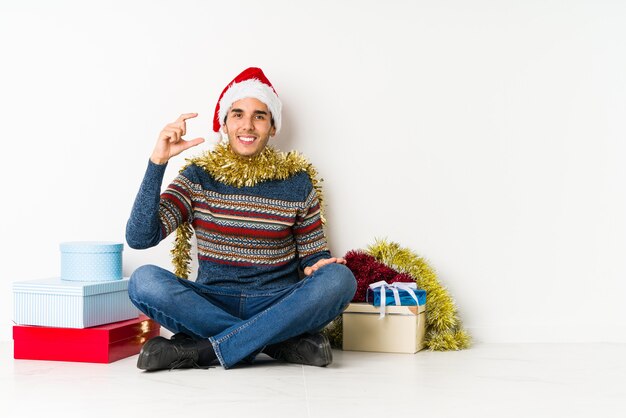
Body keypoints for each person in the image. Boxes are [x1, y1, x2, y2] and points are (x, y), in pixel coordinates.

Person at [125, 67, 357, 371]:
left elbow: (314, 255)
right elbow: (141, 238)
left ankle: (205, 350)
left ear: (272, 127)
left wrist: (319, 264)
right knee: (143, 281)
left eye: (259, 116)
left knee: (340, 279)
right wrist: (158, 162)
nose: (247, 125)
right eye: (237, 114)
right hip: (210, 300)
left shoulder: (297, 182)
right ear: (225, 123)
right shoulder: (197, 177)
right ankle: (277, 342)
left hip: (276, 300)